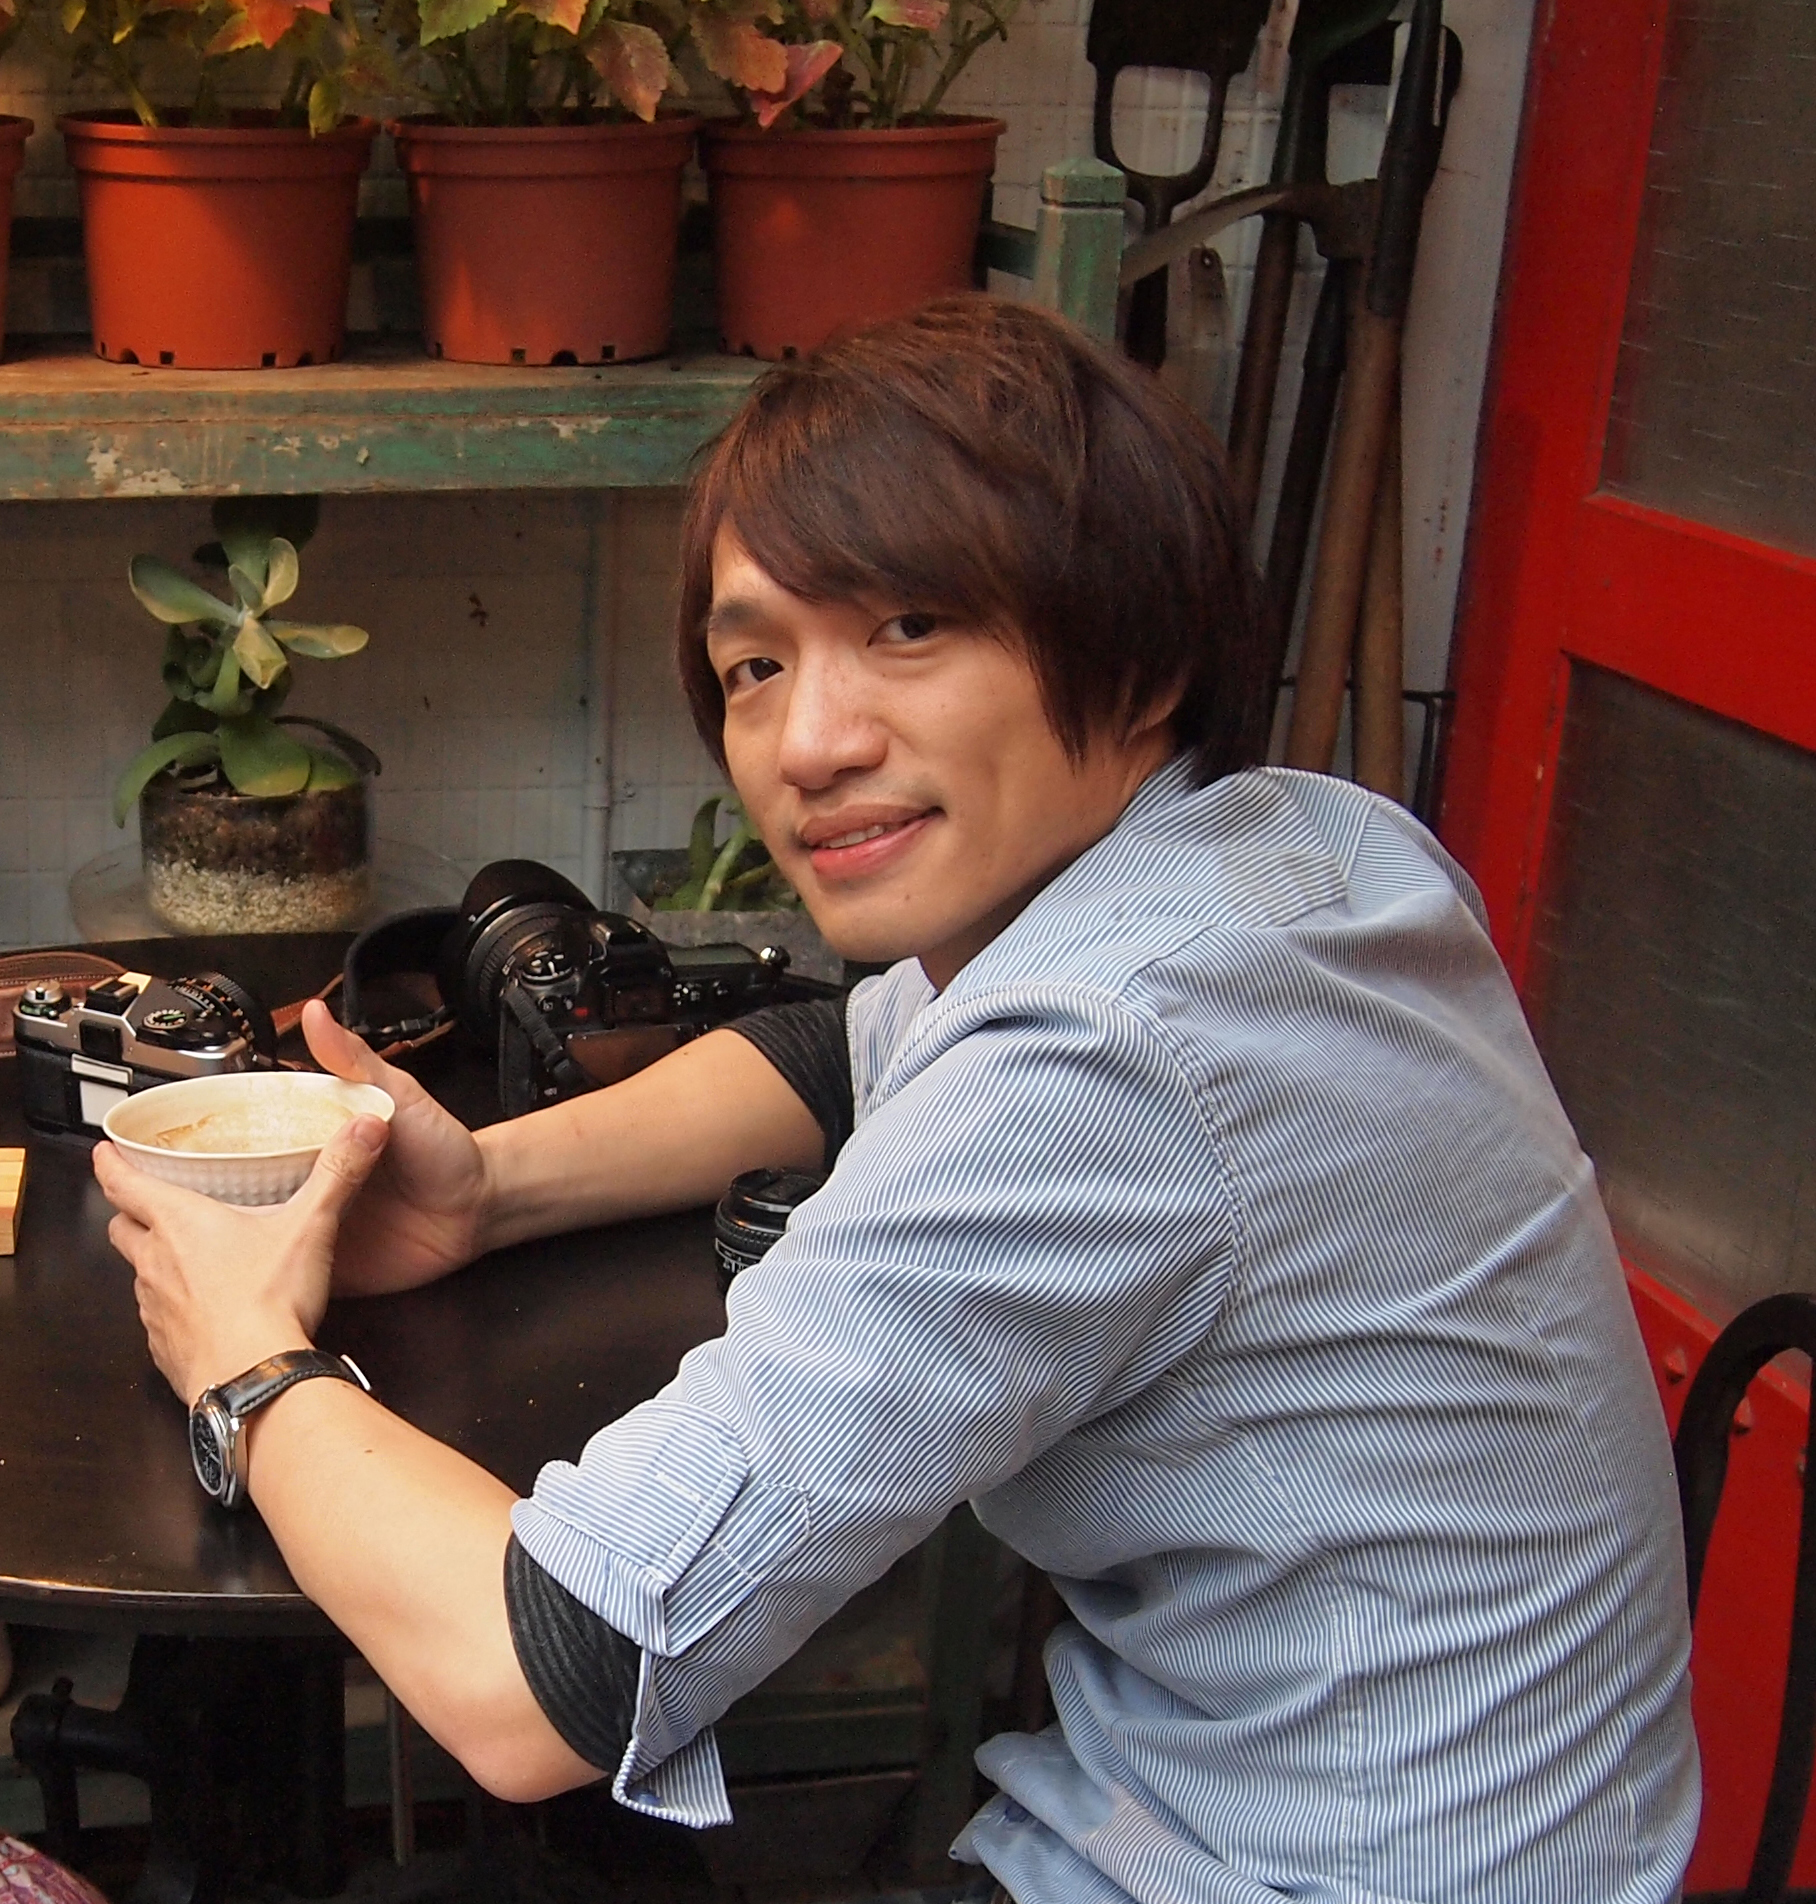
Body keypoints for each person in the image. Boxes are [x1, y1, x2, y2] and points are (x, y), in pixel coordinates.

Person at [95, 297, 1698, 1904]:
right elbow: (832, 1054)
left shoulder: (1102, 1050)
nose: (809, 744)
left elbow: (541, 1678)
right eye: (754, 665)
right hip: (1421, 1822)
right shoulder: (1303, 848)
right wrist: (494, 1188)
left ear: (1140, 655)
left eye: (910, 628)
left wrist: (244, 1355)